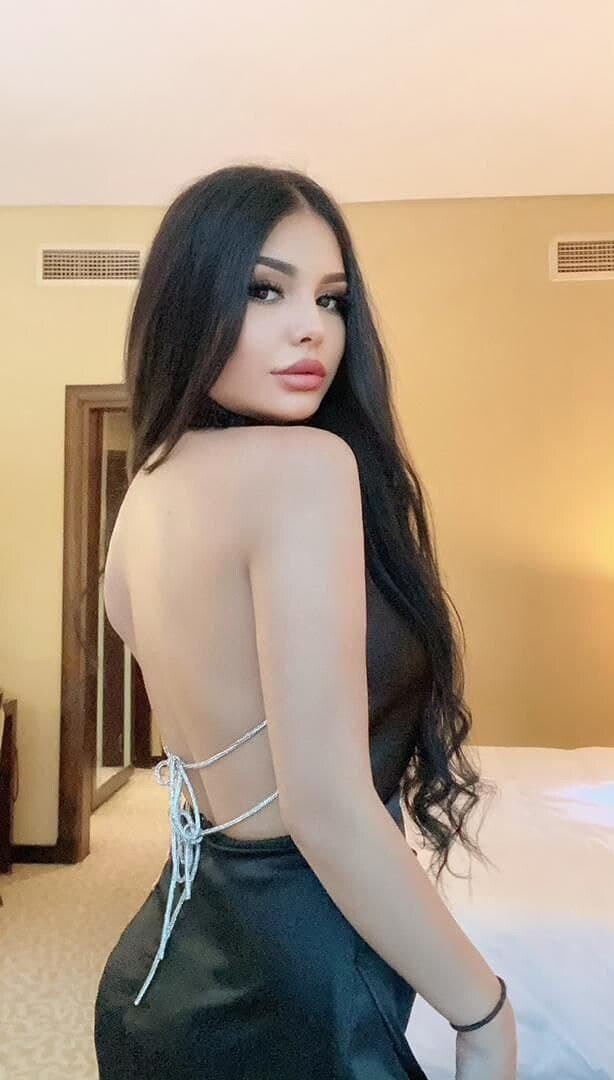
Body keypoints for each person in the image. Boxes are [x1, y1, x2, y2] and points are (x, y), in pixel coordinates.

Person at [93, 164, 518, 1079]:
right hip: (299, 978)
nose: (311, 328)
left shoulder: (146, 492)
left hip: (167, 970)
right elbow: (325, 809)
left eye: (331, 300)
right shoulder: (305, 469)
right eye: (264, 290)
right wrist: (484, 1013)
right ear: (189, 299)